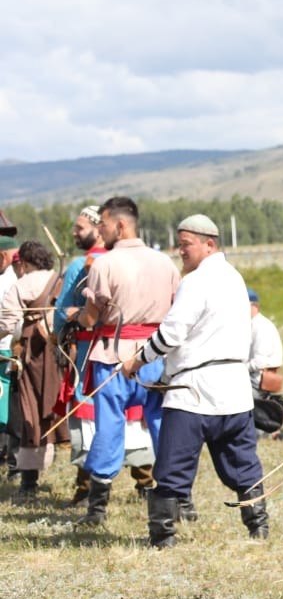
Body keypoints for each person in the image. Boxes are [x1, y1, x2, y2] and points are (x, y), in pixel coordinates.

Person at [120, 214, 268, 548]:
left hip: (194, 393)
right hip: (234, 391)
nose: (180, 251)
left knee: (172, 467)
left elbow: (172, 333)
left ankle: (163, 537)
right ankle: (259, 528)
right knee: (243, 463)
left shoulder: (196, 281)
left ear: (209, 243)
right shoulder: (235, 278)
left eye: (186, 244)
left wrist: (137, 360)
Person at [76, 196, 180, 526]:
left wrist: (76, 316)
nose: (101, 230)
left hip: (114, 355)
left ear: (120, 225)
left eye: (104, 224)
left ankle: (97, 509)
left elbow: (91, 318)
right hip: (157, 356)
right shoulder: (165, 263)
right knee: (163, 425)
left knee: (109, 426)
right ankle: (179, 501)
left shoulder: (105, 264)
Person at [53, 205, 156, 506]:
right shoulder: (149, 260)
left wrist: (62, 328)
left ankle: (88, 489)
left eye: (81, 227)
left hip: (95, 352)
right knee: (139, 415)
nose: (76, 233)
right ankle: (145, 481)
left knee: (97, 414)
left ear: (103, 229)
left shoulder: (85, 265)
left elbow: (63, 312)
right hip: (144, 351)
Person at [0, 241, 69, 498]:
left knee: (30, 410)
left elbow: (6, 323)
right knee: (56, 405)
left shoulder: (22, 284)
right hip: (60, 351)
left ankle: (29, 480)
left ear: (26, 263)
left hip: (33, 353)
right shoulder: (60, 279)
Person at [0, 236, 20, 478]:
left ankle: (7, 453)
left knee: (4, 401)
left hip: (6, 347)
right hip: (10, 346)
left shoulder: (8, 280)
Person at [247, 288, 283, 397]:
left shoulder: (261, 327)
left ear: (255, 306)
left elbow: (259, 362)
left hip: (257, 384)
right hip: (250, 379)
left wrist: (236, 369)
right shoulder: (251, 325)